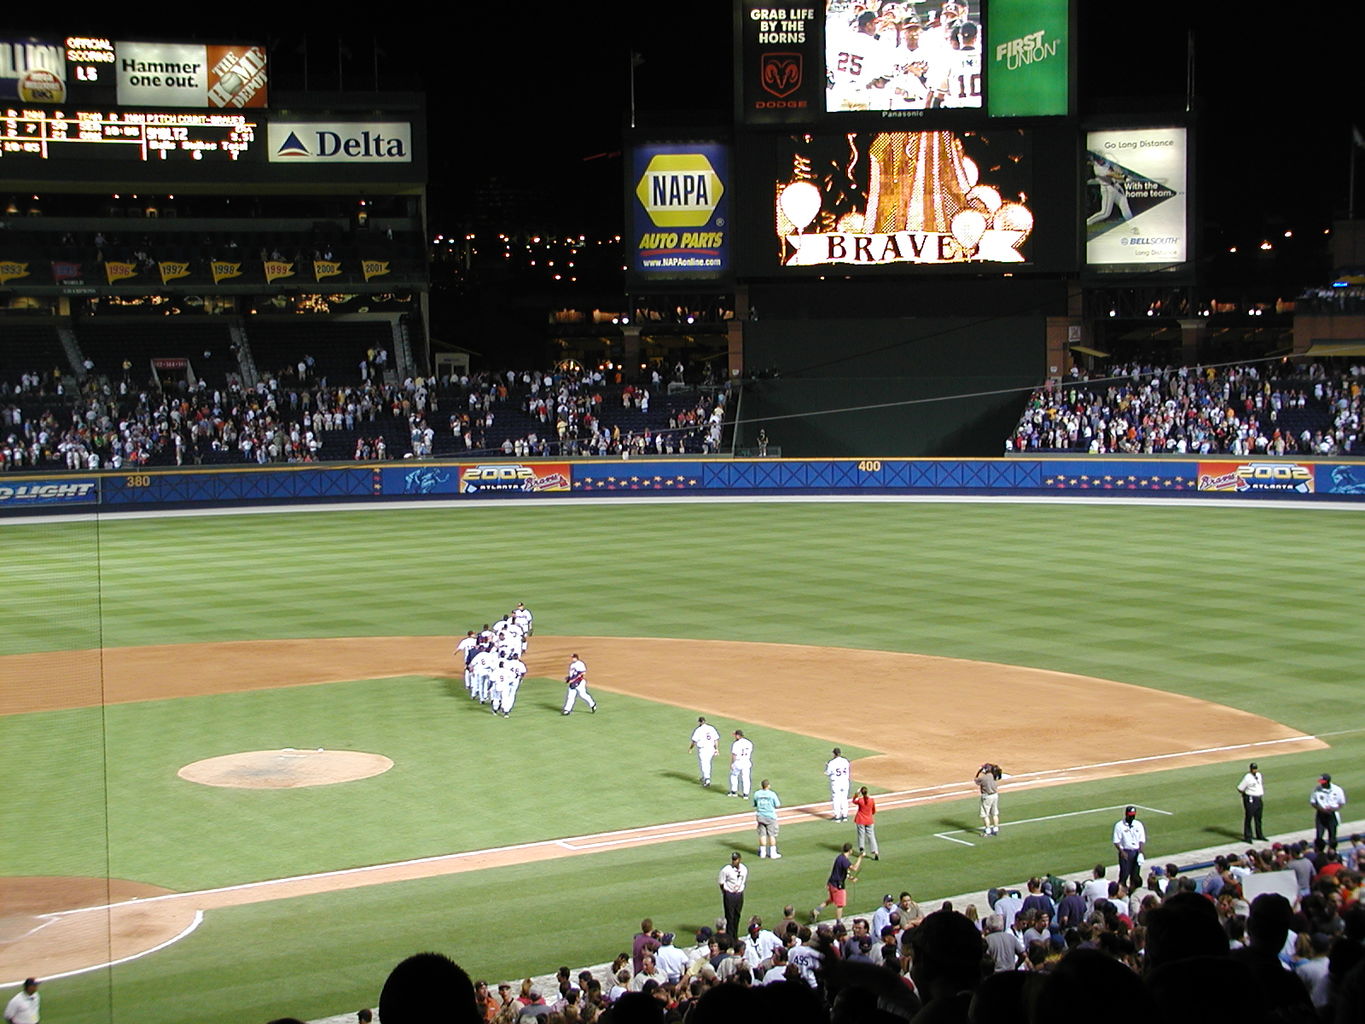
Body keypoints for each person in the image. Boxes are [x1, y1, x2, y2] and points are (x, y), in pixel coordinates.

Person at [812, 842, 863, 922]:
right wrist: (860, 858)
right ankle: (838, 923)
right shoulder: (844, 860)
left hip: (832, 883)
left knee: (831, 899)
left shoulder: (839, 857)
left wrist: (851, 878)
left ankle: (816, 910)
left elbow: (842, 872)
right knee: (840, 905)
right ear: (850, 851)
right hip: (837, 885)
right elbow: (854, 868)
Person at [1112, 805, 1146, 890]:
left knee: (1135, 876)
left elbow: (1141, 839)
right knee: (1124, 875)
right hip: (1126, 852)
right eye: (1130, 815)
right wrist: (1122, 852)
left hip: (1136, 852)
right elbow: (1116, 841)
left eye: (1133, 815)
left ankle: (1133, 891)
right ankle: (1120, 891)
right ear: (1126, 814)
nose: (1132, 817)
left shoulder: (1138, 824)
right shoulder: (1119, 825)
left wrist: (1141, 853)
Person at [1310, 773, 1347, 847]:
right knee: (1319, 837)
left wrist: (1333, 809)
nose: (1322, 784)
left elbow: (1341, 803)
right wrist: (1322, 809)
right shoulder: (1317, 789)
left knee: (1332, 836)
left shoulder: (1337, 789)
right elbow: (1313, 802)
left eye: (1323, 782)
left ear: (1328, 782)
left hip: (1332, 814)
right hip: (1321, 815)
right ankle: (1320, 851)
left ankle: (1332, 851)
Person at [719, 852, 748, 939]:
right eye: (733, 859)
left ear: (739, 859)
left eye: (736, 859)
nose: (734, 861)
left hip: (739, 894)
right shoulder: (726, 870)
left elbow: (743, 881)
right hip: (729, 894)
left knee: (737, 915)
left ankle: (735, 936)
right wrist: (725, 893)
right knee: (729, 917)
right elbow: (721, 883)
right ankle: (729, 936)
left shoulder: (744, 869)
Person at [1237, 762, 1267, 842]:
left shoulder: (1259, 775)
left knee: (1258, 818)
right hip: (1250, 799)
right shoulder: (1247, 777)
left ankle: (1259, 835)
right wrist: (1245, 795)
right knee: (1249, 818)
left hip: (1258, 798)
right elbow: (1240, 788)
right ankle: (1248, 837)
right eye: (1253, 769)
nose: (1254, 770)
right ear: (1250, 769)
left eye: (1255, 768)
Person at [752, 779, 782, 859]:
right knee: (772, 835)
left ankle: (762, 853)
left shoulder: (757, 793)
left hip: (760, 816)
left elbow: (754, 804)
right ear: (768, 786)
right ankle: (773, 853)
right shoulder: (772, 794)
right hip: (770, 816)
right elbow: (777, 805)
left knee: (762, 835)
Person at [689, 716, 721, 788]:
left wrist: (690, 748)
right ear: (705, 721)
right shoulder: (711, 728)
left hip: (703, 750)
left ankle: (707, 779)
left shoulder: (698, 730)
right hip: (711, 749)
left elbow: (694, 741)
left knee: (704, 764)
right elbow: (716, 739)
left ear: (699, 722)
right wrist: (716, 749)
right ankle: (704, 776)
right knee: (707, 763)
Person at [852, 785, 879, 859]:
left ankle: (862, 850)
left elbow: (853, 801)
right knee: (871, 836)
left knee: (861, 835)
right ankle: (875, 851)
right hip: (869, 820)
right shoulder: (871, 800)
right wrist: (869, 815)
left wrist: (856, 794)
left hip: (860, 820)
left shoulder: (860, 800)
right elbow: (874, 811)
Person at [975, 762, 1002, 836]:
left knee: (985, 814)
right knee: (994, 813)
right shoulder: (994, 776)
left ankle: (987, 830)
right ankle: (996, 829)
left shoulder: (983, 778)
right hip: (995, 795)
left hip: (987, 797)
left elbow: (976, 780)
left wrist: (979, 772)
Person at [825, 747, 852, 821]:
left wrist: (826, 766)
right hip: (845, 782)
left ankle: (837, 817)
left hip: (836, 783)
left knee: (836, 799)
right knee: (844, 798)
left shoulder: (832, 763)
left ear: (834, 754)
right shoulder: (845, 761)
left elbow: (828, 773)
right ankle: (845, 816)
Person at [728, 730, 754, 798]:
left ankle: (734, 792)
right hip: (746, 761)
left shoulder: (736, 744)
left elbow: (734, 755)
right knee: (746, 778)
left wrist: (732, 763)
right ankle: (746, 795)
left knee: (734, 775)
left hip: (738, 762)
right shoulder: (749, 743)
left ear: (738, 735)